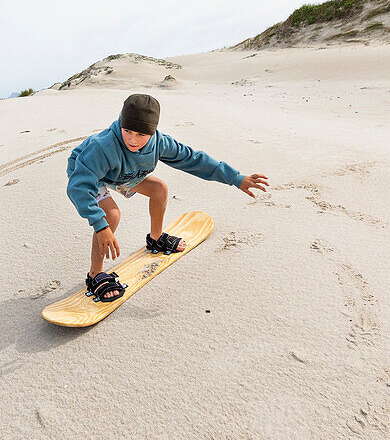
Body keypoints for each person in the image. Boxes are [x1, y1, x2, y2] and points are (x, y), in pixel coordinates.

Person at [66, 93, 268, 302]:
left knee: (159, 188)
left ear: (152, 132)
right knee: (112, 215)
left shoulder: (159, 143)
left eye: (141, 134)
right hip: (90, 174)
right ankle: (95, 275)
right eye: (127, 131)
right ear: (121, 123)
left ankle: (156, 239)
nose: (132, 140)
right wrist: (101, 227)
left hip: (123, 172)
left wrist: (235, 178)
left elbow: (193, 159)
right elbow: (78, 186)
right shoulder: (102, 147)